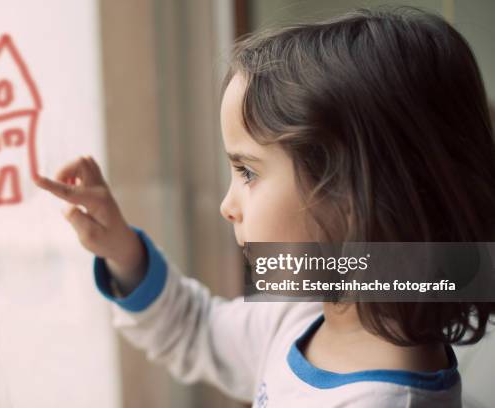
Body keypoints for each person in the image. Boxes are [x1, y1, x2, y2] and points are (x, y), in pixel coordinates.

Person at [35, 6, 495, 407]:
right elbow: (196, 330)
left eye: (248, 172)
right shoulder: (303, 317)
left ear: (355, 195)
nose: (227, 206)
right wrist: (121, 250)